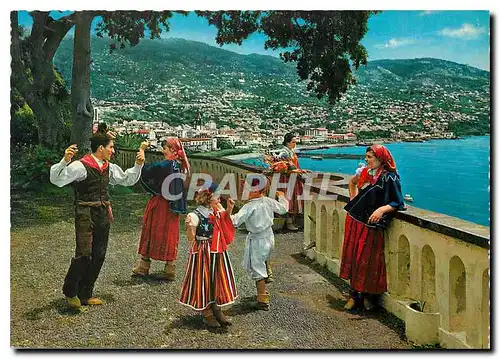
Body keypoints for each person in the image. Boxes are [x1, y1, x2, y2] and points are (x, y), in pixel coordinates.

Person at [50, 123, 147, 311]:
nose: (113, 151)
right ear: (101, 148)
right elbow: (57, 180)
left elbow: (127, 179)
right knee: (84, 253)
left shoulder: (109, 167)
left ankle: (86, 293)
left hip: (103, 212)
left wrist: (138, 164)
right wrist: (64, 161)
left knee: (99, 254)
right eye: (111, 147)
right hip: (85, 212)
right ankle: (71, 291)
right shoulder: (81, 166)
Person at [339, 145, 405, 311]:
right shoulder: (364, 173)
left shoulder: (389, 177)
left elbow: (397, 202)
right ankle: (354, 295)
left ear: (381, 159)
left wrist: (381, 209)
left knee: (368, 260)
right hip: (355, 220)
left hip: (370, 224)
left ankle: (368, 296)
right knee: (355, 257)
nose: (367, 160)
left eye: (370, 157)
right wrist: (353, 199)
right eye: (366, 156)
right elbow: (352, 183)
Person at [178, 184, 237, 327]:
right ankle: (207, 312)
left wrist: (229, 209)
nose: (219, 199)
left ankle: (217, 308)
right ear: (208, 198)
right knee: (204, 279)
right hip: (203, 251)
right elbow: (191, 237)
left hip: (217, 249)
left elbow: (227, 221)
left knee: (218, 278)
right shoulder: (195, 215)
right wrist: (190, 229)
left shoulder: (216, 211)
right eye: (217, 197)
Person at [132, 137, 190, 280]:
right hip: (174, 206)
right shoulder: (180, 166)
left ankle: (143, 266)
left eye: (165, 149)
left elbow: (147, 172)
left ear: (172, 150)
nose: (163, 151)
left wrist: (142, 151)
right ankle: (169, 268)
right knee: (170, 234)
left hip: (161, 204)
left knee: (150, 230)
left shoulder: (166, 165)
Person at [227, 177, 288, 311]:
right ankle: (267, 274)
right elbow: (283, 209)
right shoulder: (267, 201)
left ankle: (262, 299)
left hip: (257, 239)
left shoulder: (249, 206)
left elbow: (234, 221)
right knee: (263, 258)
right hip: (268, 236)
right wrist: (282, 197)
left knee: (257, 268)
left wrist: (228, 210)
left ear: (255, 191)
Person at [276, 133, 310, 231]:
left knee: (291, 199)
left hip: (292, 178)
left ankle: (291, 221)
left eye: (295, 142)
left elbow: (293, 166)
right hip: (287, 179)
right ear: (287, 143)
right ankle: (289, 223)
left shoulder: (290, 151)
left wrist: (300, 170)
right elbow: (288, 167)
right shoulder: (284, 152)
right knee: (288, 200)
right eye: (293, 142)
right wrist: (299, 171)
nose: (294, 144)